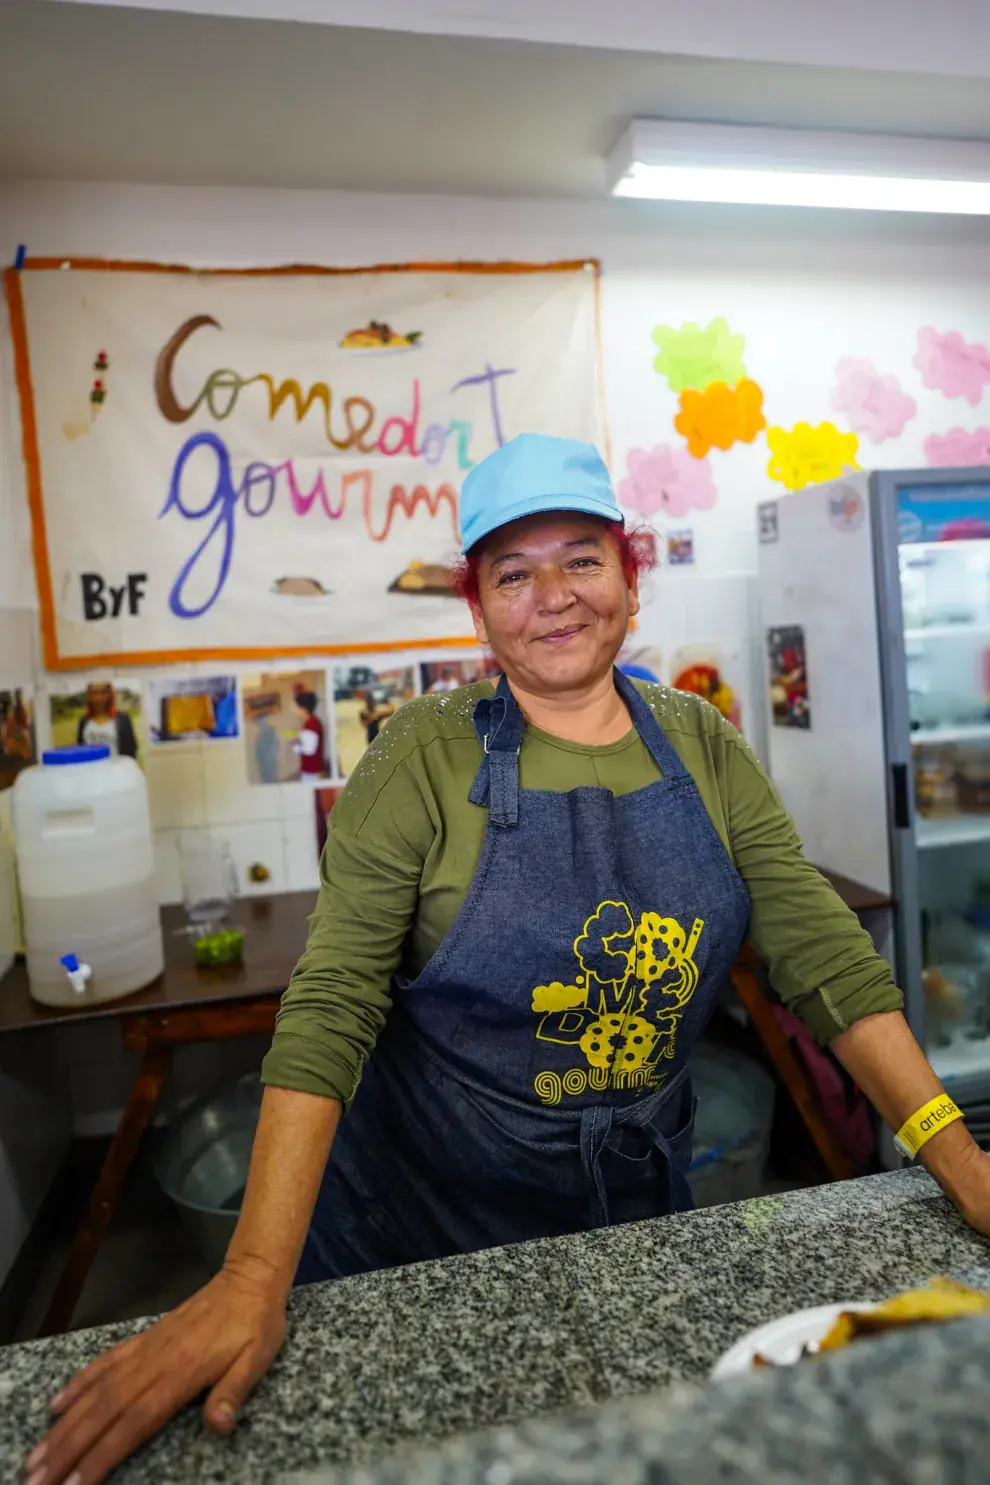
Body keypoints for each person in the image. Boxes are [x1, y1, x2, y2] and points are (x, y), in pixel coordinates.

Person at [29, 434, 990, 1485]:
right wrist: (254, 1276)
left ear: (630, 577)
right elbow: (332, 1003)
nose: (556, 597)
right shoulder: (421, 755)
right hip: (426, 1222)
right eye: (514, 574)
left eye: (582, 559)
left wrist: (961, 1162)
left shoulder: (703, 741)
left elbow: (823, 956)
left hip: (634, 1218)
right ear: (477, 608)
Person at [75, 681, 138, 758]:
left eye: (103, 692)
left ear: (109, 694)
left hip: (116, 768)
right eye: (94, 693)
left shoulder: (123, 719)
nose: (99, 697)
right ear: (89, 696)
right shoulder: (84, 722)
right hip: (91, 768)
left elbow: (131, 751)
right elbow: (80, 750)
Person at [292, 687, 326, 777]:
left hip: (312, 771)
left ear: (303, 709)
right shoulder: (311, 722)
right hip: (311, 770)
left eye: (297, 707)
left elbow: (308, 750)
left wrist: (295, 740)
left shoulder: (312, 724)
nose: (296, 711)